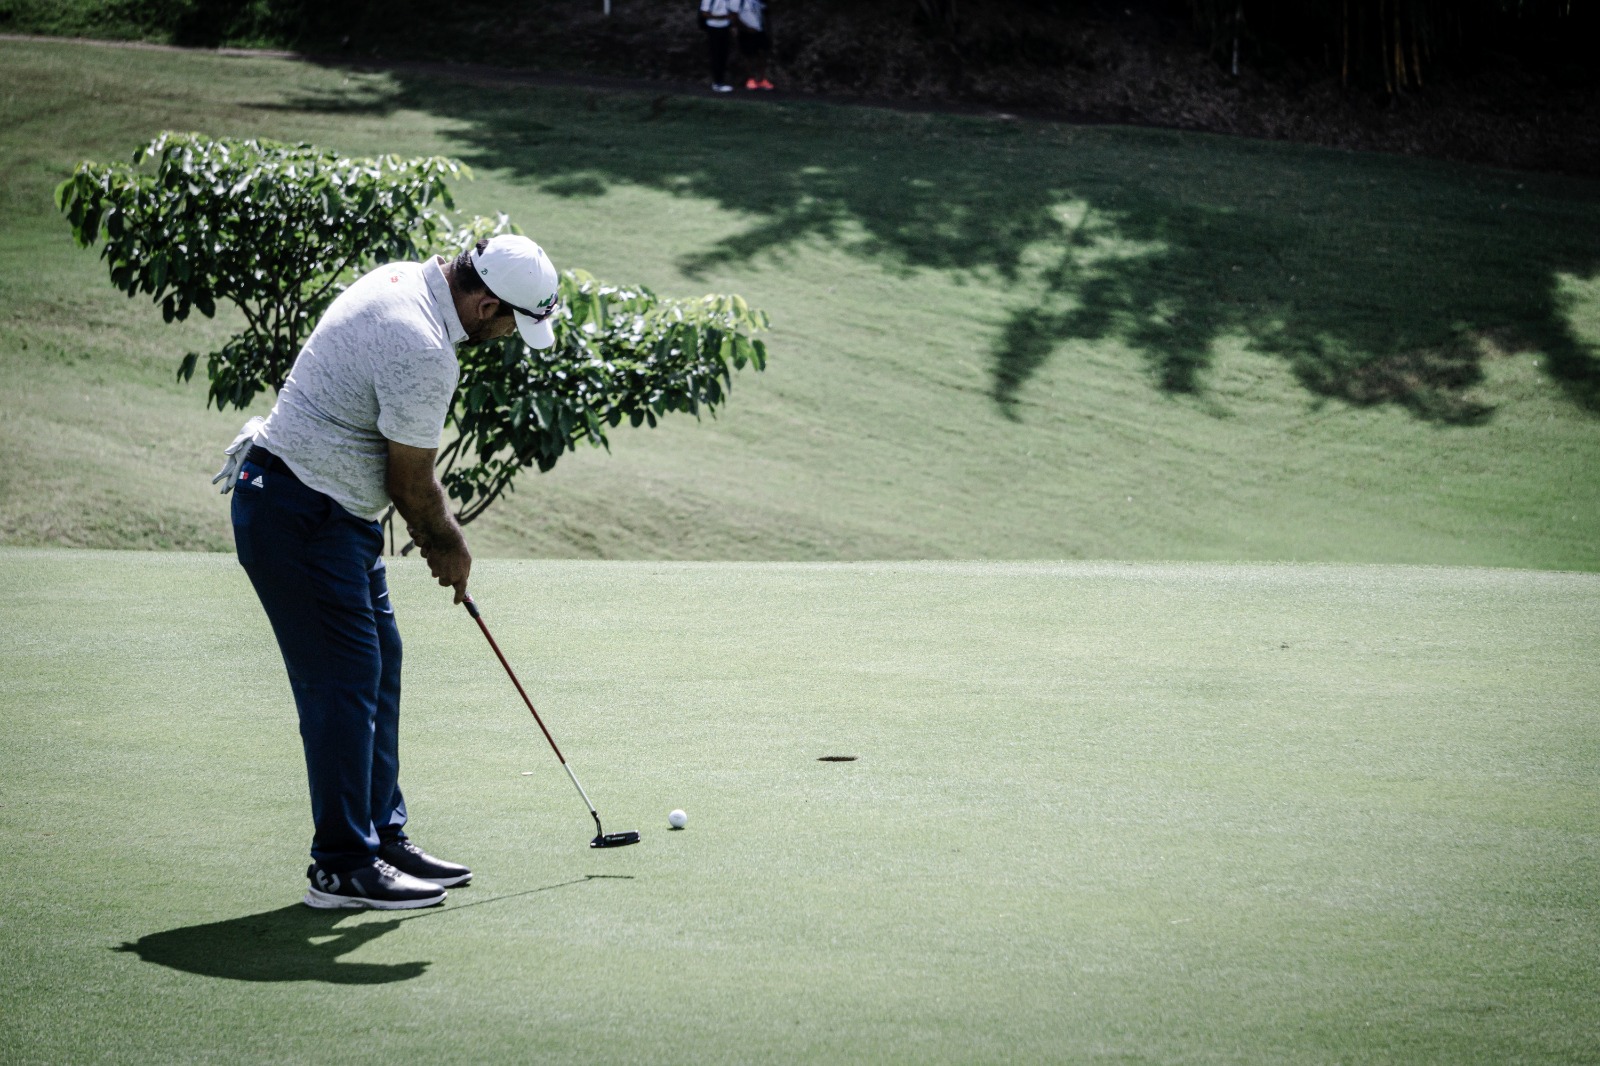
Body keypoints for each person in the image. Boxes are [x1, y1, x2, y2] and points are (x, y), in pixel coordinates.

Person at [217, 234, 561, 910]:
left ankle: (381, 837)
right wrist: (451, 549)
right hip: (300, 514)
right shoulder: (424, 347)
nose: (505, 339)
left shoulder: (408, 280)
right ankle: (341, 865)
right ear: (486, 303)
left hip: (330, 513)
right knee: (344, 681)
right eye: (510, 325)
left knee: (379, 663)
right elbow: (412, 487)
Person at [735, 0, 774, 90]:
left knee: (762, 54)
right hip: (746, 32)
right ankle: (751, 79)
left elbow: (766, 14)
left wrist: (768, 30)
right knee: (749, 55)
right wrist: (746, 28)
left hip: (760, 30)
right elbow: (734, 16)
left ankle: (761, 79)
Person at [699, 0, 736, 92]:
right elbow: (704, 13)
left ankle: (720, 80)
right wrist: (720, 17)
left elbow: (732, 12)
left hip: (725, 27)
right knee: (716, 55)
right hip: (713, 27)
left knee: (723, 54)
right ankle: (717, 82)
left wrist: (732, 25)